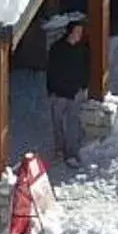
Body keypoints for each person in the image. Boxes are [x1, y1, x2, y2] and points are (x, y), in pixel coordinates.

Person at [47, 15, 91, 171]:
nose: (79, 34)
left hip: (75, 92)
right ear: (69, 32)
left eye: (81, 31)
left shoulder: (83, 49)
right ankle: (59, 149)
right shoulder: (57, 49)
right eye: (77, 31)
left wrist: (84, 85)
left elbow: (87, 68)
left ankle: (71, 154)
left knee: (72, 123)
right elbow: (51, 70)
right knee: (57, 122)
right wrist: (51, 90)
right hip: (59, 92)